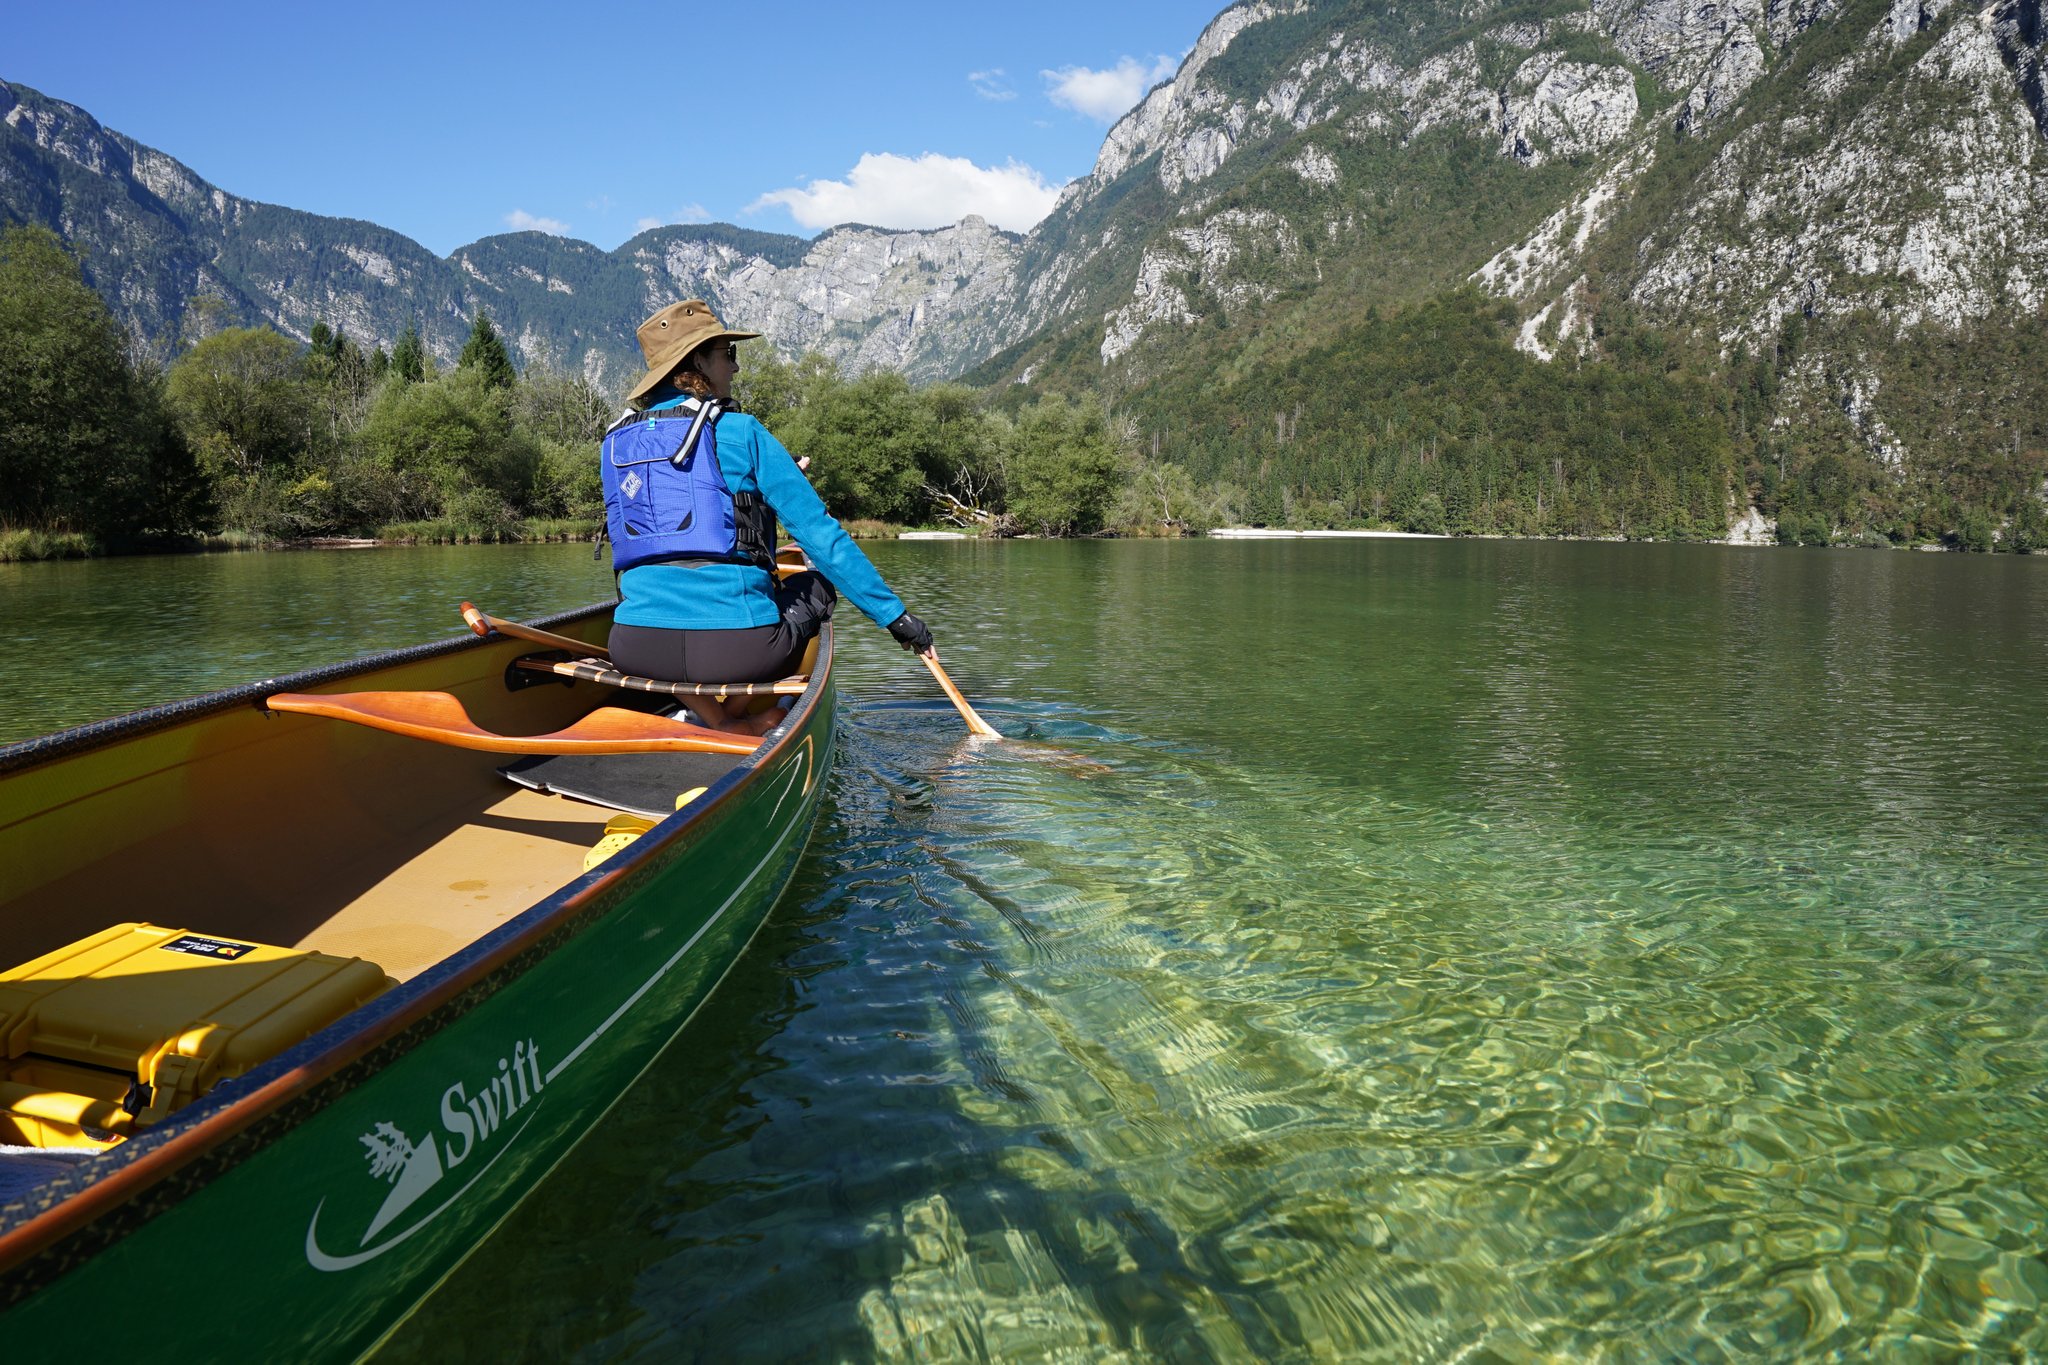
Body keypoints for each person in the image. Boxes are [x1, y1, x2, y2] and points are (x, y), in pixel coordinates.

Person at [600, 298, 934, 735]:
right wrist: (898, 620)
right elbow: (822, 538)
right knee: (816, 583)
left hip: (635, 648)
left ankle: (715, 718)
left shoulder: (614, 443)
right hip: (738, 651)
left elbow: (672, 503)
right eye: (728, 354)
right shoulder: (740, 431)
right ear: (697, 361)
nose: (735, 368)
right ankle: (736, 718)